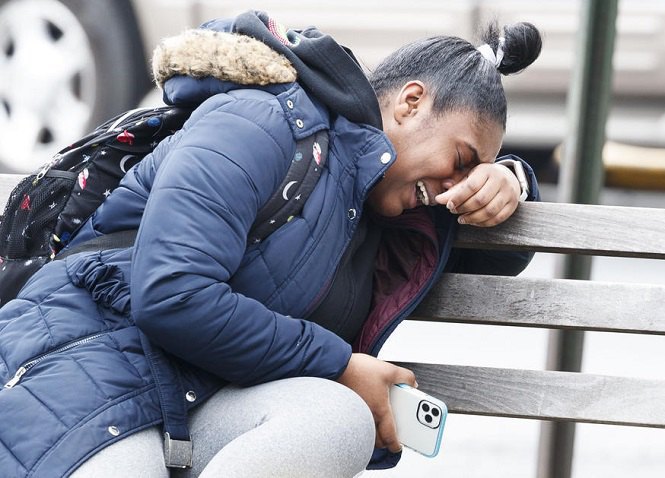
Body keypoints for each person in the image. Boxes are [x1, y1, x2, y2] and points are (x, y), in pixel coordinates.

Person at [0, 10, 542, 478]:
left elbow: (499, 256)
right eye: (462, 161)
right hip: (84, 380)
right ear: (410, 103)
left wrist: (510, 182)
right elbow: (171, 293)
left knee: (337, 419)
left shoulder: (383, 220)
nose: (456, 187)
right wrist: (341, 366)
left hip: (193, 402)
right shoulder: (262, 121)